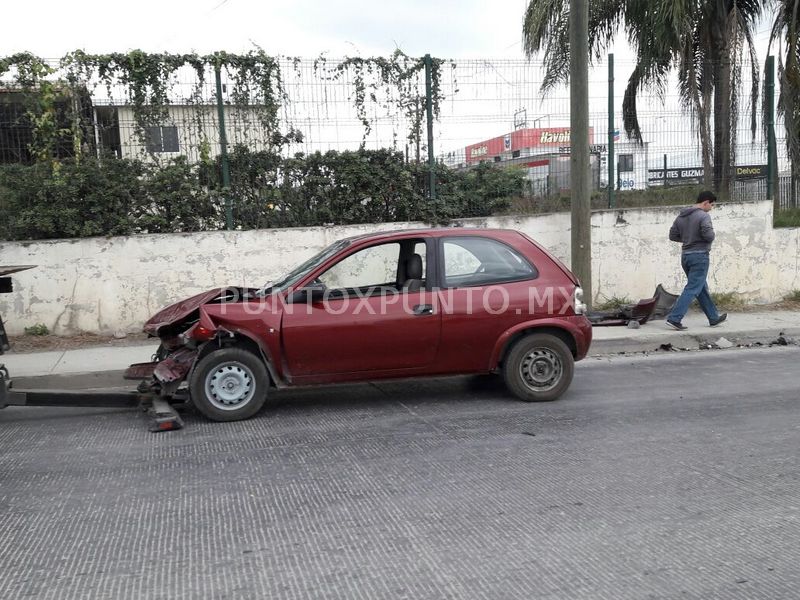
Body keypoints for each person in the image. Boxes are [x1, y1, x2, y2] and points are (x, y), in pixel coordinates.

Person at [665, 190, 727, 330]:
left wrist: (688, 239)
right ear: (705, 202)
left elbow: (672, 235)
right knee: (693, 288)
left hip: (686, 256)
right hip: (699, 256)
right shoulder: (703, 216)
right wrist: (707, 236)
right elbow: (709, 235)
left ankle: (713, 317)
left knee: (700, 287)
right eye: (711, 205)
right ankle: (674, 318)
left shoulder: (681, 216)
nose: (711, 208)